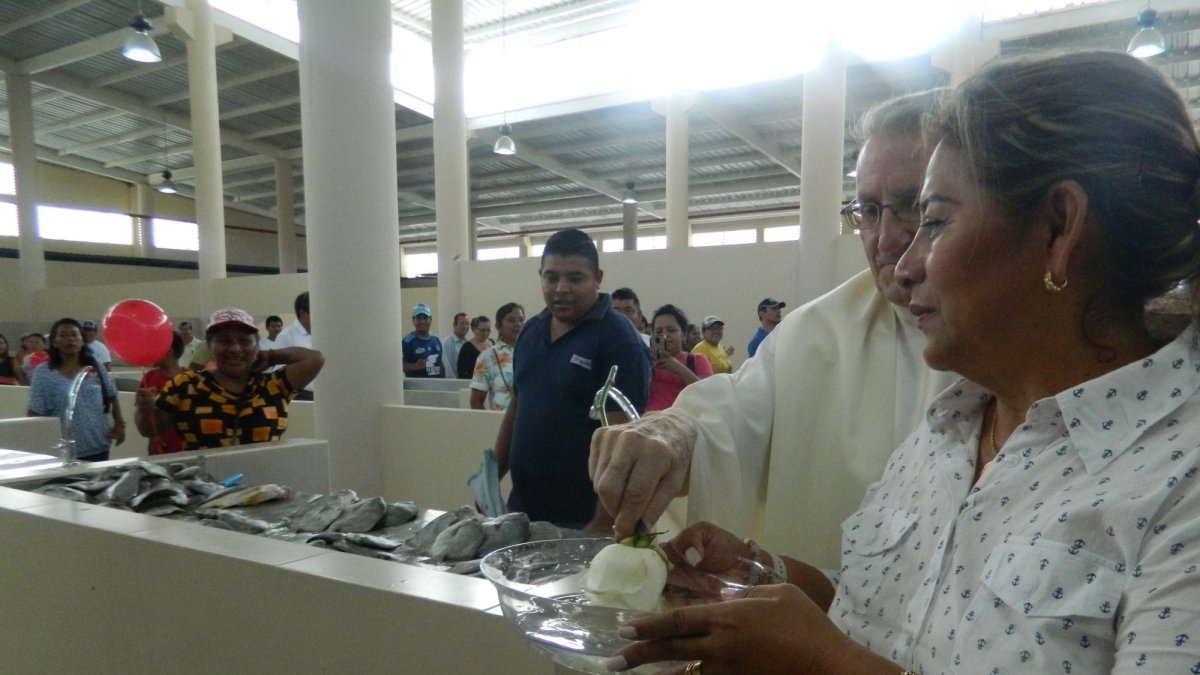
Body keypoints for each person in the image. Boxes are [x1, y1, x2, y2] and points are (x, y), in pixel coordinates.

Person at [607, 50, 1200, 675]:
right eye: (869, 211)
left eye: (931, 218)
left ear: (1059, 227)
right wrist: (762, 576)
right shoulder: (955, 424)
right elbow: (901, 617)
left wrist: (818, 664)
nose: (902, 256)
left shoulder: (1178, 481)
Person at [590, 88, 955, 567]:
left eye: (913, 206)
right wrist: (672, 430)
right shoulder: (816, 332)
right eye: (868, 211)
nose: (885, 239)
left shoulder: (1020, 340)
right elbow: (735, 410)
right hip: (824, 612)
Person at [492, 228, 650, 530]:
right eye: (551, 278)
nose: (561, 288)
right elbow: (518, 405)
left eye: (575, 278)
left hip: (582, 520)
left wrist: (601, 524)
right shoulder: (530, 331)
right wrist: (491, 477)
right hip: (522, 511)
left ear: (597, 278)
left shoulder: (619, 340)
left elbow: (625, 441)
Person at [137, 308, 324, 451]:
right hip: (203, 487)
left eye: (245, 341)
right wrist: (145, 409)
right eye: (224, 341)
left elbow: (315, 359)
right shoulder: (187, 384)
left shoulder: (273, 386)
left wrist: (270, 355)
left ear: (257, 345)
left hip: (262, 484)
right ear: (209, 347)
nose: (235, 349)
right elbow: (150, 430)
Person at [26, 318, 124, 462]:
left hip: (98, 444)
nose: (70, 339)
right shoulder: (44, 372)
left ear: (82, 340)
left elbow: (111, 394)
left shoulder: (94, 365)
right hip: (62, 448)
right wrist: (39, 443)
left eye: (74, 335)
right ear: (54, 342)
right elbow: (35, 411)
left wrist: (120, 424)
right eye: (63, 335)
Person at [647, 304, 712, 412]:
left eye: (671, 330)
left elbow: (707, 395)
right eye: (658, 332)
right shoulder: (645, 361)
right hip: (650, 419)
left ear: (684, 335)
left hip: (684, 420)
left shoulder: (697, 361)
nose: (665, 335)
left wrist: (678, 368)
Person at [136, 331, 184, 455]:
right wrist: (144, 408)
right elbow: (141, 419)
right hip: (158, 451)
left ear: (169, 351)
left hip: (185, 449)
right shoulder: (149, 377)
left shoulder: (191, 378)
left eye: (155, 348)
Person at [470, 303, 524, 411]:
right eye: (511, 320)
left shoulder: (533, 352)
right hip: (501, 419)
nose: (518, 324)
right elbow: (476, 401)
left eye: (521, 320)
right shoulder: (488, 357)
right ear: (498, 326)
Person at [273, 292, 315, 399]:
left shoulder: (320, 333)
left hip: (321, 392)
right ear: (303, 313)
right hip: (301, 394)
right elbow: (280, 372)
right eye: (316, 312)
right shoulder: (286, 336)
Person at [402, 303, 444, 378]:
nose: (422, 321)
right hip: (416, 385)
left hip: (437, 384)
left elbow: (440, 363)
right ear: (413, 320)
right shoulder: (407, 342)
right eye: (419, 318)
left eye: (425, 318)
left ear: (430, 319)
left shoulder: (436, 339)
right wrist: (414, 366)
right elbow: (399, 366)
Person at [442, 312, 469, 379]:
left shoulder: (467, 343)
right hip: (453, 383)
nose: (465, 326)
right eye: (462, 323)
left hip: (465, 382)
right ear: (454, 325)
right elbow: (447, 367)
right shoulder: (448, 342)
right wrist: (455, 382)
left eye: (467, 323)